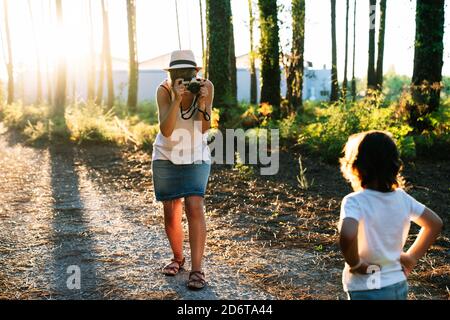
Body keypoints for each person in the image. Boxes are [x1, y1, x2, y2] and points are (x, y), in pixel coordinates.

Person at [338, 130, 443, 300]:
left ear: (356, 167)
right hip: (397, 283)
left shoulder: (355, 201)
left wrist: (355, 263)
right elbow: (435, 223)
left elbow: (348, 234)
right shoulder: (402, 199)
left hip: (369, 285)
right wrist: (410, 257)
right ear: (395, 165)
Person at [151, 50, 214, 290]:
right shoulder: (164, 90)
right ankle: (178, 258)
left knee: (194, 205)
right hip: (166, 154)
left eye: (189, 76)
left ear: (196, 74)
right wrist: (176, 99)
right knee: (171, 209)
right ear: (172, 76)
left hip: (196, 154)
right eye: (179, 77)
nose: (185, 82)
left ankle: (197, 270)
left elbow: (203, 128)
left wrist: (203, 102)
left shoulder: (205, 86)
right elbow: (166, 130)